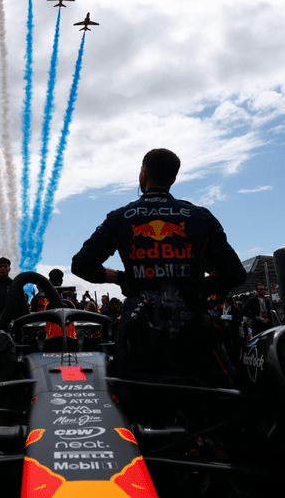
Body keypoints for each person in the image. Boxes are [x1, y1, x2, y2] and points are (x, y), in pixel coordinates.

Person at [72, 148, 246, 382]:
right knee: (228, 396)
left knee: (134, 406)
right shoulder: (200, 217)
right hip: (194, 332)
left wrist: (123, 278)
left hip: (139, 335)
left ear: (144, 174)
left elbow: (82, 265)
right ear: (173, 178)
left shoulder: (119, 217)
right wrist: (198, 286)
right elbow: (234, 273)